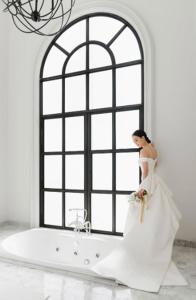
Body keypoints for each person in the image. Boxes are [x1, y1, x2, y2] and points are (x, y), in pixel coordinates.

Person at [91, 129, 188, 293]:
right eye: (134, 142)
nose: (136, 144)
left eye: (137, 140)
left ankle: (139, 250)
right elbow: (154, 167)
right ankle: (153, 248)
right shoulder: (154, 148)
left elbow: (145, 173)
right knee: (155, 219)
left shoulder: (143, 150)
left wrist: (141, 190)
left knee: (140, 218)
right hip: (157, 184)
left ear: (143, 138)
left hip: (147, 185)